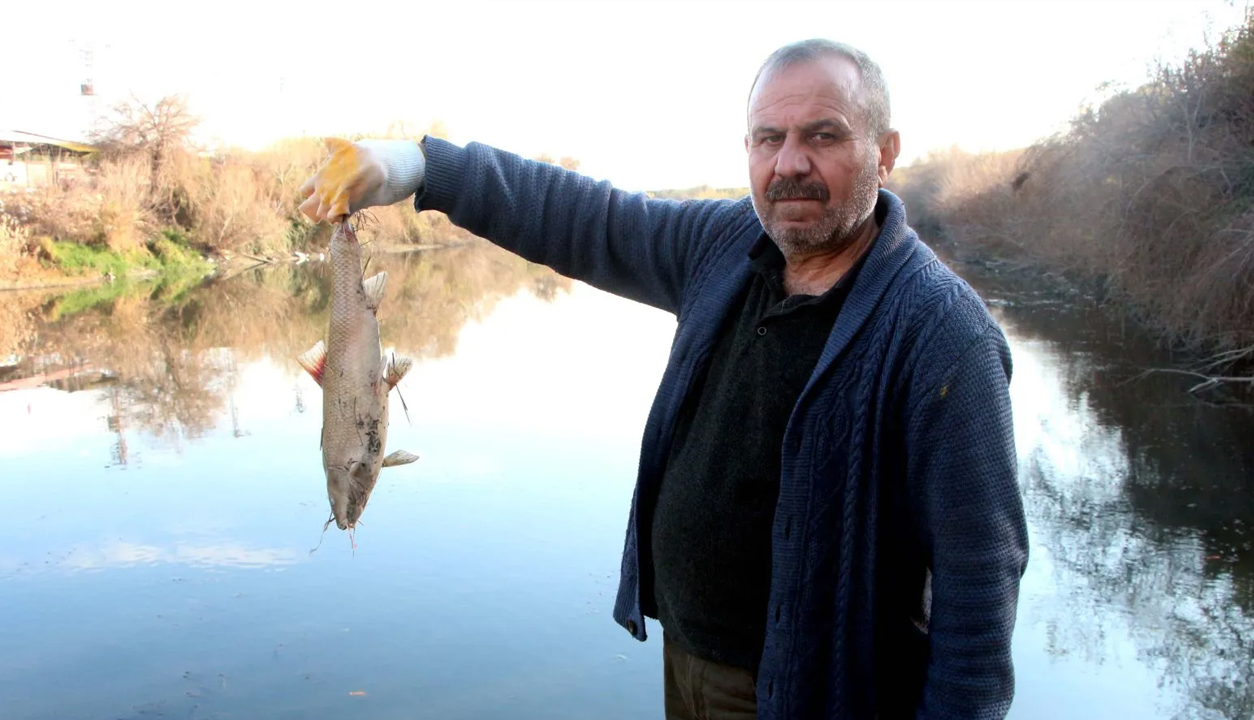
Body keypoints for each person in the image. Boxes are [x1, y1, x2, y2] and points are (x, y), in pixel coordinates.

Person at [298, 38, 1028, 720]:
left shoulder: (943, 336)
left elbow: (979, 591)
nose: (789, 163)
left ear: (885, 152)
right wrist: (421, 166)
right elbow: (584, 217)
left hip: (818, 693)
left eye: (824, 135)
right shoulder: (724, 246)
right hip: (688, 659)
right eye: (768, 139)